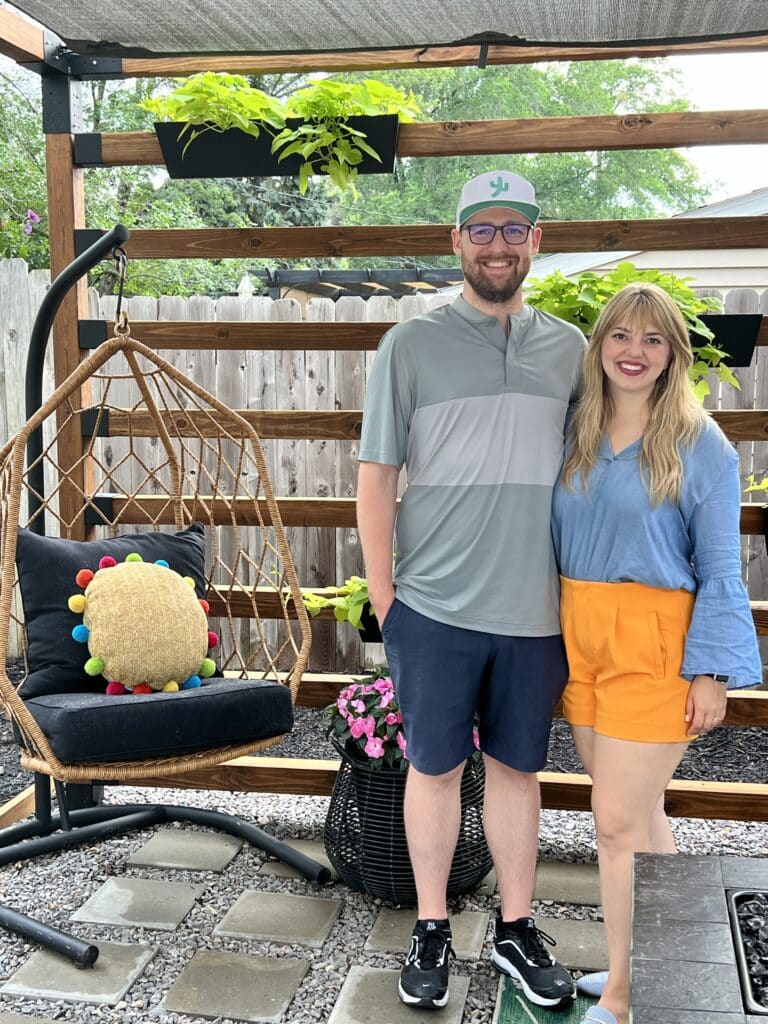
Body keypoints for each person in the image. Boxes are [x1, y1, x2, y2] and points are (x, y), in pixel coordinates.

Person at [357, 170, 586, 1012]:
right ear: (455, 242)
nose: (498, 244)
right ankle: (430, 927)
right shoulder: (407, 347)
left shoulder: (572, 351)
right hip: (434, 607)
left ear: (537, 240)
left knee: (519, 771)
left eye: (513, 229)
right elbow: (377, 479)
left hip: (536, 611)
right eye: (480, 230)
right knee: (434, 769)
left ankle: (517, 931)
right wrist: (389, 602)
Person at [551, 282, 762, 1024]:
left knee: (612, 819)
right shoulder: (576, 425)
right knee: (642, 820)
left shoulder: (700, 443)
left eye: (653, 339)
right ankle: (659, 961)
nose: (634, 352)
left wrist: (711, 671)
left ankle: (624, 994)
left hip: (657, 642)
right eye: (621, 336)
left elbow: (719, 567)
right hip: (581, 634)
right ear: (599, 343)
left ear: (673, 353)